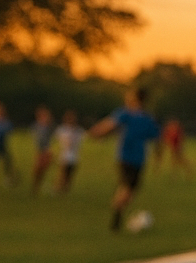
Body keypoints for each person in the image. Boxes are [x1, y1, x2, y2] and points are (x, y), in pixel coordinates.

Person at [89, 87, 161, 231]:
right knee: (128, 189)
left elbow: (109, 125)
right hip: (131, 158)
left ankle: (118, 211)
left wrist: (96, 132)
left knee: (129, 189)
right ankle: (116, 217)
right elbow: (157, 139)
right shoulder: (140, 117)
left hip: (130, 158)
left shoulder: (133, 115)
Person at [55, 110, 83, 194]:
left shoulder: (78, 130)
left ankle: (65, 190)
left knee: (70, 175)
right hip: (65, 155)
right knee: (62, 173)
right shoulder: (63, 130)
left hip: (74, 156)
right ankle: (58, 188)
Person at [29, 105, 56, 194]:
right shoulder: (37, 126)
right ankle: (35, 186)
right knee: (37, 170)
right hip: (39, 150)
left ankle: (37, 186)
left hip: (46, 150)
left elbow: (53, 138)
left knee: (42, 169)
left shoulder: (49, 127)